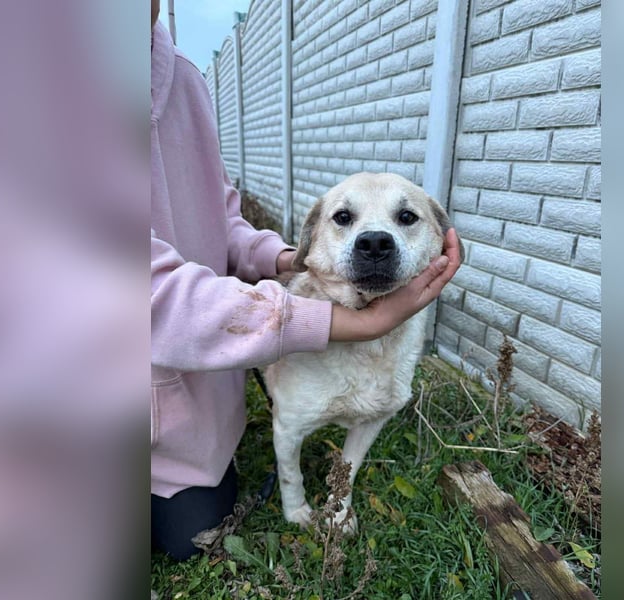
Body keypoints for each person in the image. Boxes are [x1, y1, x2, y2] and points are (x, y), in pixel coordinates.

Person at [150, 1, 461, 560]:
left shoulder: (185, 80)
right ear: (321, 234)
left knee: (186, 535)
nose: (374, 240)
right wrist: (343, 320)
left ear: (441, 239)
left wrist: (285, 258)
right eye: (346, 221)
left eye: (404, 219)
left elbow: (222, 219)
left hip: (195, 384)